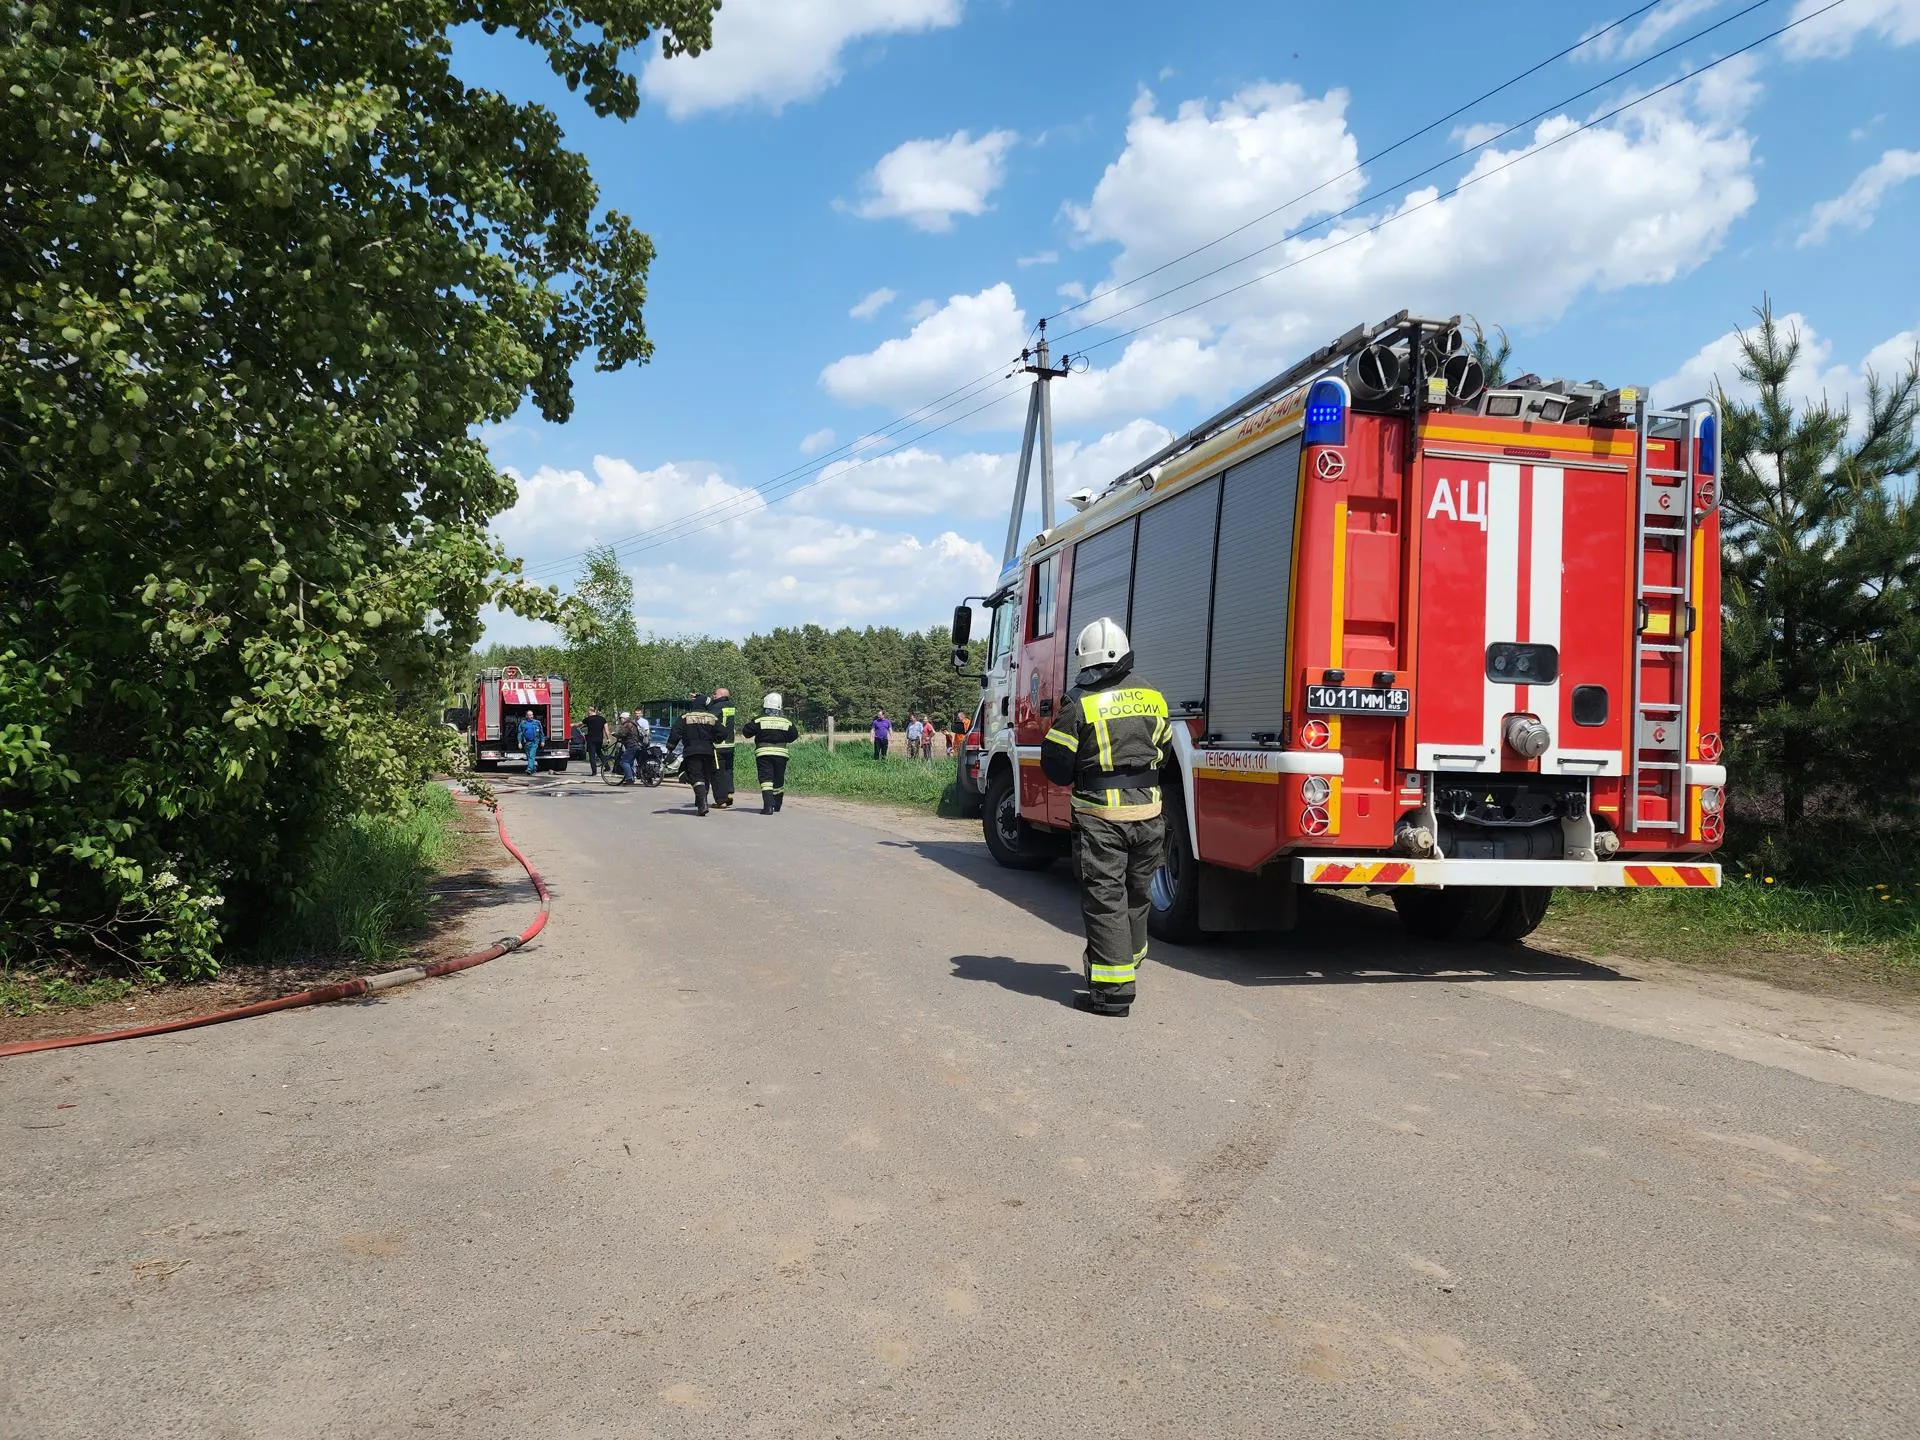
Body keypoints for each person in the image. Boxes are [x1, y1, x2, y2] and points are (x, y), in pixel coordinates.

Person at [1040, 618, 1172, 1017]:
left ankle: (1113, 993)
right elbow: (1164, 753)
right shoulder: (1153, 696)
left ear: (1086, 661)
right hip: (1149, 815)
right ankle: (1127, 961)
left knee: (1105, 899)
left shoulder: (1079, 701)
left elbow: (1056, 765)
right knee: (1137, 892)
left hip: (1101, 818)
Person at [742, 692, 799, 814]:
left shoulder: (759, 720)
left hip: (763, 754)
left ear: (765, 705)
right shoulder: (787, 722)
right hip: (781, 754)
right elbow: (794, 735)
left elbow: (746, 732)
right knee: (778, 779)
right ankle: (777, 805)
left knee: (766, 779)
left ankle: (768, 807)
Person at [668, 695, 723, 815]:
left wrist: (670, 746)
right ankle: (701, 802)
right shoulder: (712, 717)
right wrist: (714, 739)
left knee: (696, 777)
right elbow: (722, 732)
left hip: (692, 751)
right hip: (708, 751)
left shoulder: (685, 717)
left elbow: (675, 732)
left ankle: (702, 804)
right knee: (705, 776)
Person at [710, 687, 737, 809]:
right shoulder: (731, 705)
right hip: (730, 744)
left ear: (721, 695)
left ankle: (721, 801)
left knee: (717, 773)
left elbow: (710, 719)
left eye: (715, 694)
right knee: (728, 770)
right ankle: (729, 792)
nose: (713, 696)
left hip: (718, 745)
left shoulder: (717, 707)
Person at [614, 711, 642, 783]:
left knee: (624, 762)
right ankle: (632, 776)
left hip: (631, 745)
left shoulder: (627, 724)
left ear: (624, 718)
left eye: (621, 718)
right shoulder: (633, 723)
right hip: (637, 745)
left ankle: (629, 778)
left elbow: (622, 734)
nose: (620, 720)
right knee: (630, 762)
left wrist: (615, 734)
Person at [582, 705, 608, 776]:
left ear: (590, 712)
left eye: (588, 712)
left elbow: (579, 724)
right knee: (599, 753)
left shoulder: (588, 719)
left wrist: (572, 725)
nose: (588, 714)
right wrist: (608, 738)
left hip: (591, 740)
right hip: (599, 739)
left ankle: (594, 772)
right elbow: (606, 729)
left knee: (592, 756)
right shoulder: (602, 719)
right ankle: (607, 766)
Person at [518, 710, 545, 775]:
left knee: (531, 756)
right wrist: (519, 742)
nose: (531, 716)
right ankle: (534, 768)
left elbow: (541, 733)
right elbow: (520, 733)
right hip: (526, 743)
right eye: (529, 715)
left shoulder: (537, 723)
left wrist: (542, 741)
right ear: (526, 716)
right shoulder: (523, 723)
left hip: (535, 742)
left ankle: (529, 769)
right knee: (529, 757)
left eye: (532, 715)